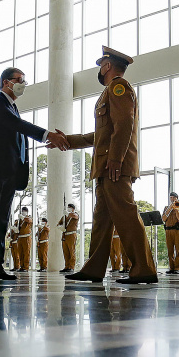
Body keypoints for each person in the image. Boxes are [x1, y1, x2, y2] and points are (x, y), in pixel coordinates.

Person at [59, 47, 158, 284]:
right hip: (107, 166)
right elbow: (103, 134)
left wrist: (115, 159)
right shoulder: (109, 92)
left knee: (126, 215)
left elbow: (124, 123)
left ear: (107, 66)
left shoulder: (117, 87)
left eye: (100, 65)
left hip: (115, 165)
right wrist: (68, 141)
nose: (99, 70)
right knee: (102, 220)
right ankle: (93, 268)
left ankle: (144, 268)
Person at [0, 67, 68, 281]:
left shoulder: (13, 108)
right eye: (20, 80)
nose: (23, 83)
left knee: (2, 220)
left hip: (7, 174)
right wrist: (46, 134)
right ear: (7, 82)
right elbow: (17, 125)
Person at [161, 192, 179, 274]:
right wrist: (169, 209)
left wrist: (176, 210)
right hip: (168, 230)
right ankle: (171, 268)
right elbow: (163, 219)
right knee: (169, 249)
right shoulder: (166, 208)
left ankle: (177, 268)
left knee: (178, 249)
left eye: (174, 197)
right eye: (171, 197)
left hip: (177, 230)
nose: (172, 199)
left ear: (177, 198)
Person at [58, 204, 79, 273]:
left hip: (71, 234)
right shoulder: (64, 217)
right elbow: (59, 224)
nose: (68, 208)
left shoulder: (75, 215)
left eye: (70, 207)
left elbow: (75, 216)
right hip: (65, 235)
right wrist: (61, 227)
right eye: (68, 207)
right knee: (66, 252)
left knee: (71, 251)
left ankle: (71, 267)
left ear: (73, 209)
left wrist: (68, 213)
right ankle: (67, 266)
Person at [17, 207, 33, 272]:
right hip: (20, 237)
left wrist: (23, 217)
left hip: (26, 237)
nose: (23, 212)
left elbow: (29, 221)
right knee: (20, 253)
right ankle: (21, 266)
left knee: (26, 253)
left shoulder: (29, 217)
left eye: (24, 211)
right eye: (22, 211)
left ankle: (26, 267)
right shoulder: (19, 220)